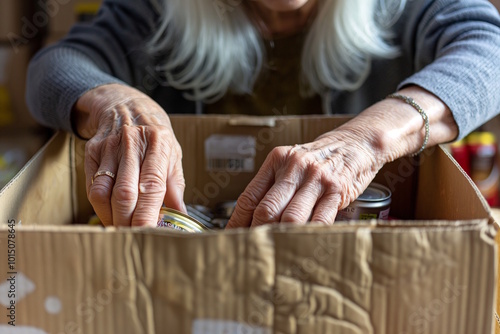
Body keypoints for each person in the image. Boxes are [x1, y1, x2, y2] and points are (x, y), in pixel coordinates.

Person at [26, 0, 500, 228]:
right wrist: (123, 106)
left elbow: (490, 52)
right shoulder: (155, 8)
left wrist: (366, 142)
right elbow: (53, 67)